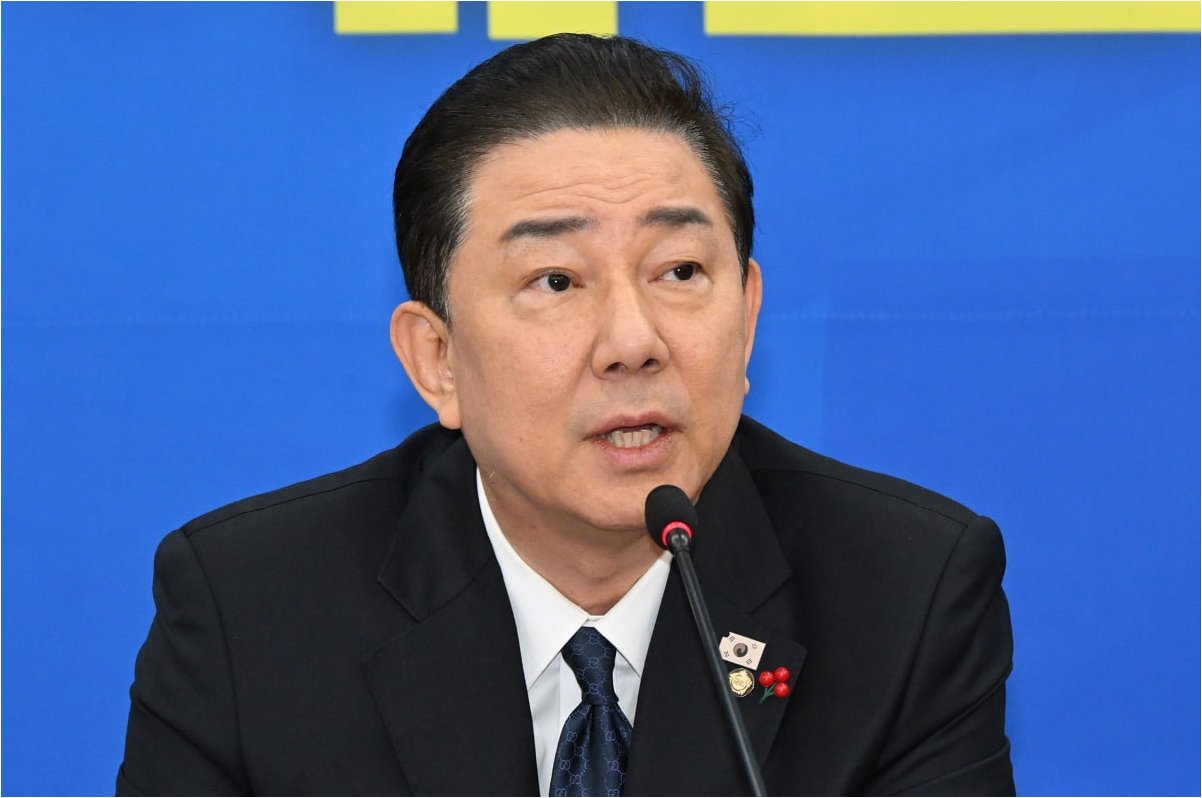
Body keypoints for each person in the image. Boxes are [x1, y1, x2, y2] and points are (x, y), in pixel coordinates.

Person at [118, 34, 1013, 796]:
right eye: (556, 281)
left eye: (679, 271)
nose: (633, 341)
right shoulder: (251, 611)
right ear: (437, 360)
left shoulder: (906, 596)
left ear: (746, 322)